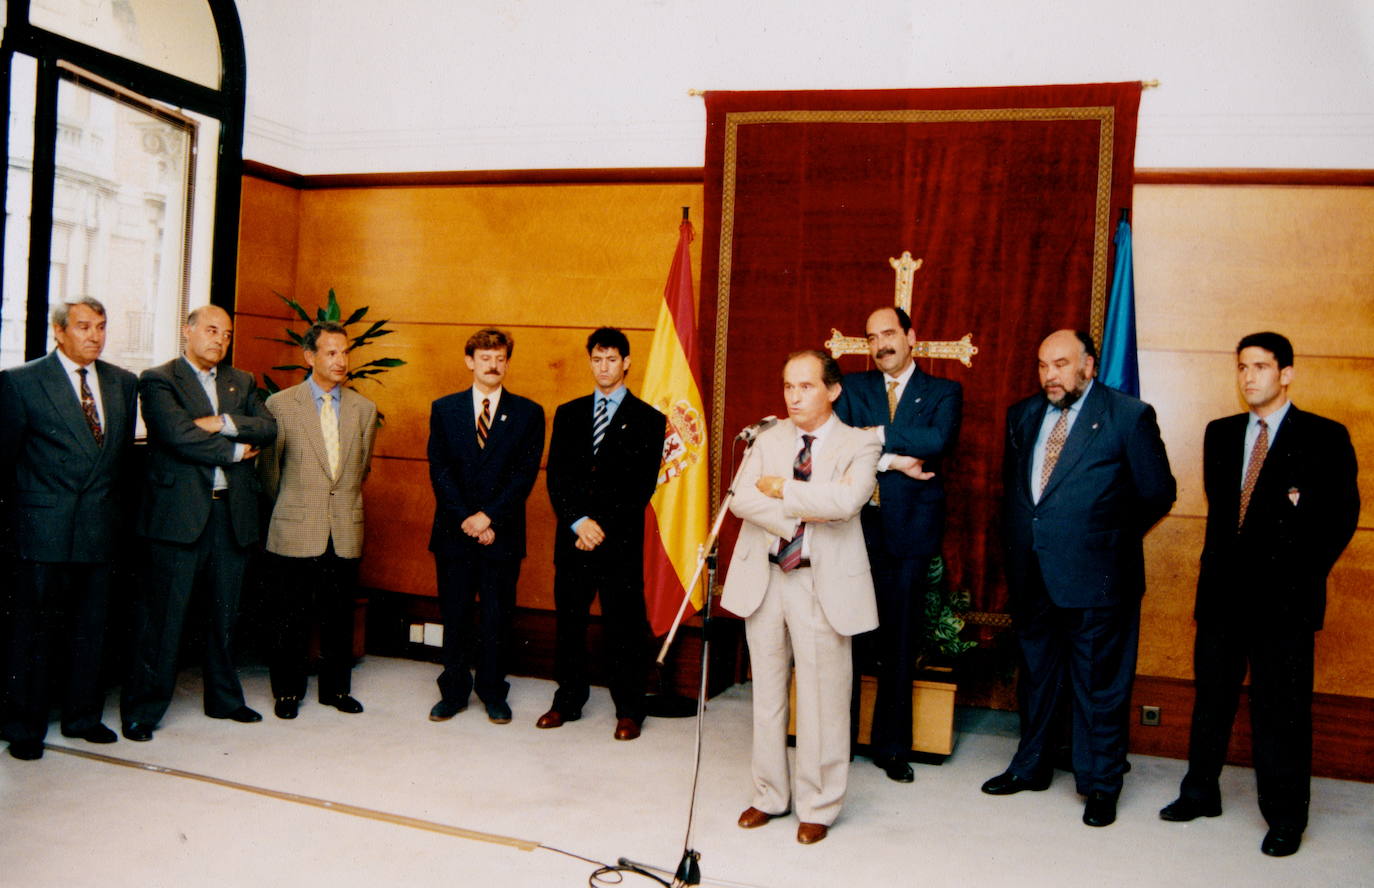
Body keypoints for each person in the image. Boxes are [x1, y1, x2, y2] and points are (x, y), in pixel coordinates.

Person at [1159, 332, 1358, 858]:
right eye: (1243, 366)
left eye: (1262, 367)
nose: (1250, 377)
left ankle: (1286, 816)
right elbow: (1228, 523)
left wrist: (1296, 576)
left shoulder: (1324, 436)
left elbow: (1341, 518)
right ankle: (1200, 791)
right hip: (1223, 597)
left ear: (1286, 373)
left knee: (1282, 711)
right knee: (1211, 700)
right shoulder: (1220, 434)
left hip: (1285, 603)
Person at [982, 329, 1175, 828]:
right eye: (1044, 365)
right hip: (1033, 574)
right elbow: (1020, 493)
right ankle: (1031, 767)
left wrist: (1103, 537)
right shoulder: (1023, 416)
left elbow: (1158, 493)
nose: (1051, 375)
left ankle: (1100, 783)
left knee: (1099, 685)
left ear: (1089, 365)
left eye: (1062, 364)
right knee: (1038, 676)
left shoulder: (1128, 416)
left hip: (1099, 577)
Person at [725, 349, 881, 845]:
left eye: (806, 386)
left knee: (823, 699)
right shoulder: (768, 438)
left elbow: (845, 502)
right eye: (788, 386)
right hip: (767, 579)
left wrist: (780, 489)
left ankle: (819, 803)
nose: (793, 397)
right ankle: (770, 794)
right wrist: (796, 508)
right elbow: (739, 497)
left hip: (822, 582)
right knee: (767, 695)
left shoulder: (860, 444)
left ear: (833, 390)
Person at [120, 305, 277, 740]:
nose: (219, 340)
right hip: (178, 518)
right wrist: (233, 450)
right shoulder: (159, 379)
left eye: (226, 334)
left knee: (224, 617)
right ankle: (143, 710)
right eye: (210, 330)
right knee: (163, 620)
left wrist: (223, 422)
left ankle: (224, 700)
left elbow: (268, 427)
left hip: (230, 515)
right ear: (187, 331)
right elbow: (175, 436)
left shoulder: (240, 381)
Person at [0, 298, 138, 760]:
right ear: (58, 331)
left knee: (92, 630)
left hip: (100, 529)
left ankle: (83, 717)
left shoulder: (123, 382)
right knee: (33, 633)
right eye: (83, 327)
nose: (94, 335)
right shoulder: (21, 382)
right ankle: (24, 726)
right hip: (42, 531)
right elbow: (5, 462)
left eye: (101, 326)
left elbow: (119, 464)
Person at [835, 305, 962, 782]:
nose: (880, 344)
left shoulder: (944, 392)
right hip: (854, 532)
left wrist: (878, 435)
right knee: (844, 639)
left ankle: (892, 748)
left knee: (900, 641)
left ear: (911, 336)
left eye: (888, 333)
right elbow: (842, 446)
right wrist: (891, 460)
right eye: (871, 337)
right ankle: (838, 743)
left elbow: (936, 438)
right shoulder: (853, 388)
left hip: (909, 536)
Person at [539, 327, 665, 741]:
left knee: (623, 627)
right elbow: (556, 476)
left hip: (617, 542)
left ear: (626, 363)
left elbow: (641, 486)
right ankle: (567, 701)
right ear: (589, 361)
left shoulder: (650, 419)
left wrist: (599, 527)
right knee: (569, 624)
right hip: (574, 539)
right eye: (597, 358)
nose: (604, 366)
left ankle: (629, 709)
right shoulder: (570, 412)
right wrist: (578, 522)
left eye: (612, 359)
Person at [260, 322, 378, 719]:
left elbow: (360, 469)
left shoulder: (364, 409)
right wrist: (297, 505)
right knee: (289, 614)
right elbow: (270, 474)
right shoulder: (280, 405)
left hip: (343, 526)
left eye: (345, 352)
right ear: (309, 357)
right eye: (331, 353)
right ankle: (287, 692)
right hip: (295, 524)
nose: (341, 360)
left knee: (338, 615)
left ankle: (336, 690)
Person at [427, 328, 544, 725]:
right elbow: (440, 471)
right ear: (469, 361)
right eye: (485, 357)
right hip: (454, 532)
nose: (493, 365)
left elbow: (523, 476)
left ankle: (494, 691)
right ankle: (453, 692)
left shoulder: (528, 413)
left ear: (507, 362)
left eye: (500, 358)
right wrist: (468, 518)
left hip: (502, 533)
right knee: (455, 615)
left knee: (497, 617)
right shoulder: (444, 409)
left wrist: (488, 517)